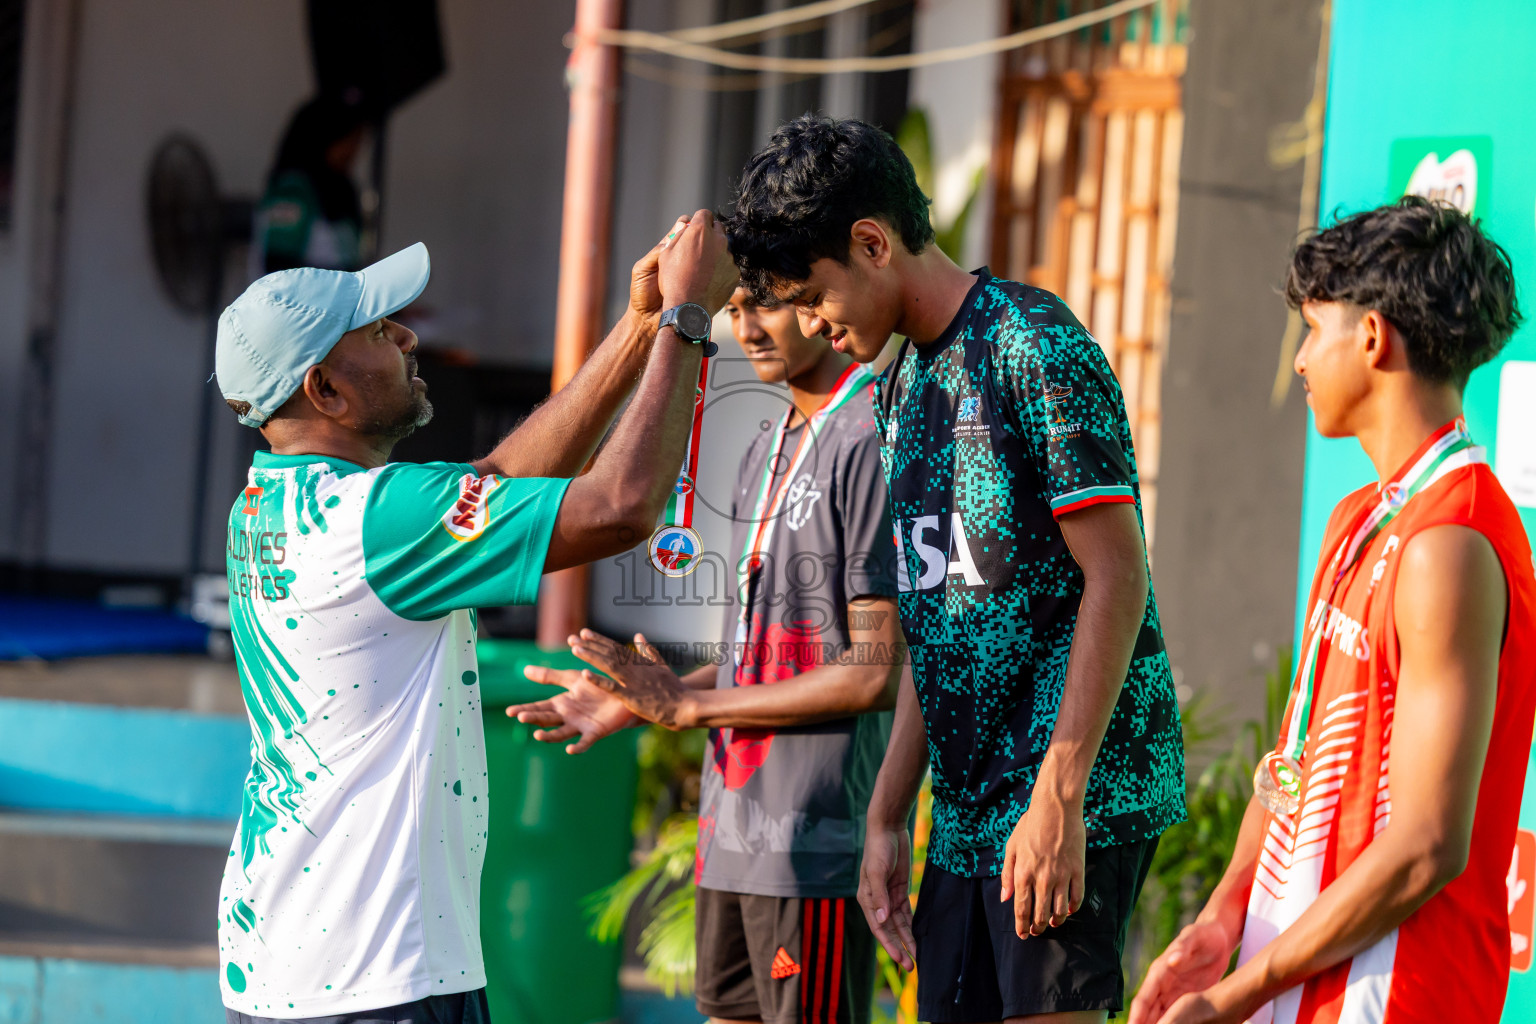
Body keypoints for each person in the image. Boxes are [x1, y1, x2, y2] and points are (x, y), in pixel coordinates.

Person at [213, 211, 738, 1023]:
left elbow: (492, 480)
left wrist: (636, 330)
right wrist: (686, 321)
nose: (407, 338)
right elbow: (624, 507)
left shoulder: (273, 504)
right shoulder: (376, 522)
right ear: (325, 389)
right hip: (375, 976)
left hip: (288, 960)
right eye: (379, 332)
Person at [726, 114, 1187, 1023]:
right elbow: (937, 630)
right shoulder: (898, 389)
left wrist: (1061, 794)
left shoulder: (1034, 341)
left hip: (1070, 796)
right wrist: (889, 815)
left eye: (814, 295)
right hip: (968, 818)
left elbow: (1118, 576)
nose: (812, 322)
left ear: (873, 242)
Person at [1129, 197, 1536, 1024]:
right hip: (1299, 978)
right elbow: (1293, 757)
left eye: (1314, 331)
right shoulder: (1358, 517)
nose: (1304, 360)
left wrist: (1236, 995)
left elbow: (1426, 847)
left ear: (1375, 339)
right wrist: (1222, 917)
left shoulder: (1447, 543)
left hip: (1398, 995)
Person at [507, 283, 905, 1024]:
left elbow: (874, 671)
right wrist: (642, 699)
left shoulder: (870, 437)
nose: (747, 326)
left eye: (769, 303)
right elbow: (768, 657)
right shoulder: (768, 441)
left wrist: (689, 706)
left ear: (822, 305)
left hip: (809, 848)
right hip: (731, 837)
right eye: (736, 304)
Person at [255, 96, 369, 274]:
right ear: (323, 137)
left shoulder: (342, 191)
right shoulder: (292, 191)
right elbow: (279, 271)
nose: (354, 151)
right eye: (349, 141)